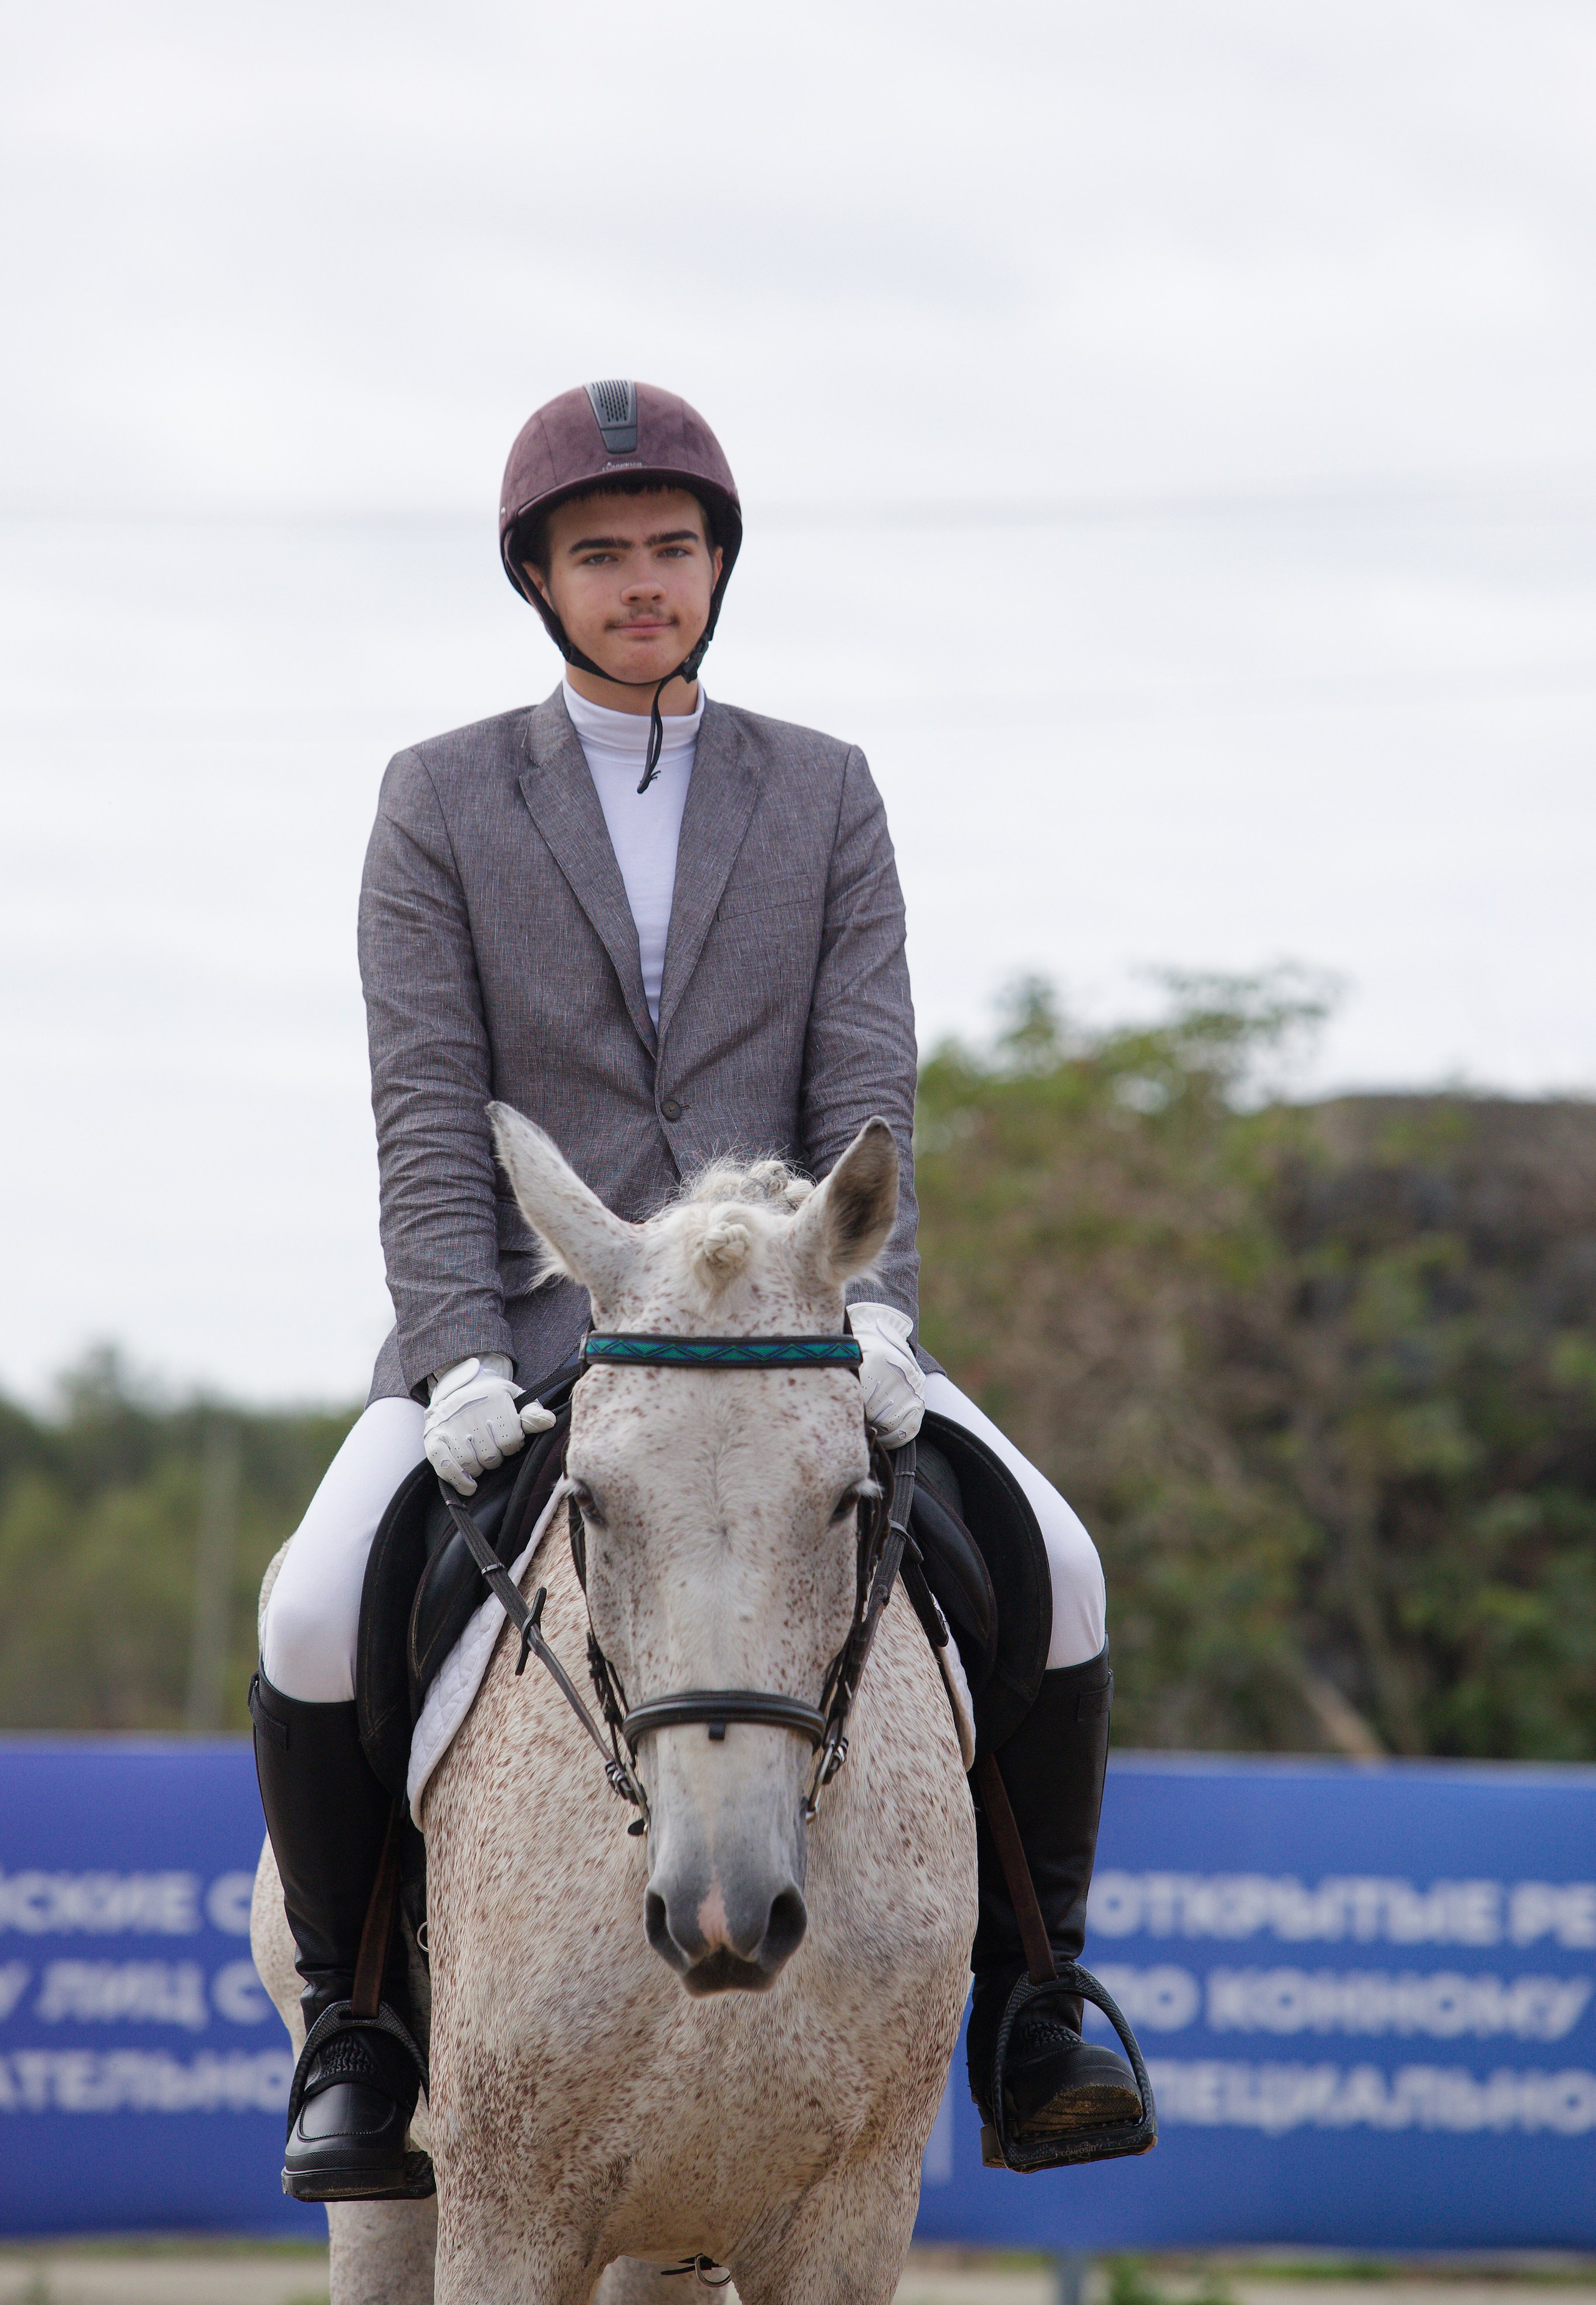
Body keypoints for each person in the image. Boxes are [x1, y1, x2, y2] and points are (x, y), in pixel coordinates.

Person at [251, 380, 1138, 2202]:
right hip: (523, 1322)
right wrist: (459, 1356)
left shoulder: (824, 789)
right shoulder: (436, 801)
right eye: (603, 554)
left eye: (672, 548)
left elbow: (864, 1082)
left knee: (1057, 1561)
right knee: (311, 1609)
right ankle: (361, 2035)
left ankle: (1031, 2008)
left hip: (797, 1324)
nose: (641, 581)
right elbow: (427, 1111)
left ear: (717, 565)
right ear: (542, 579)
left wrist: (872, 1311)